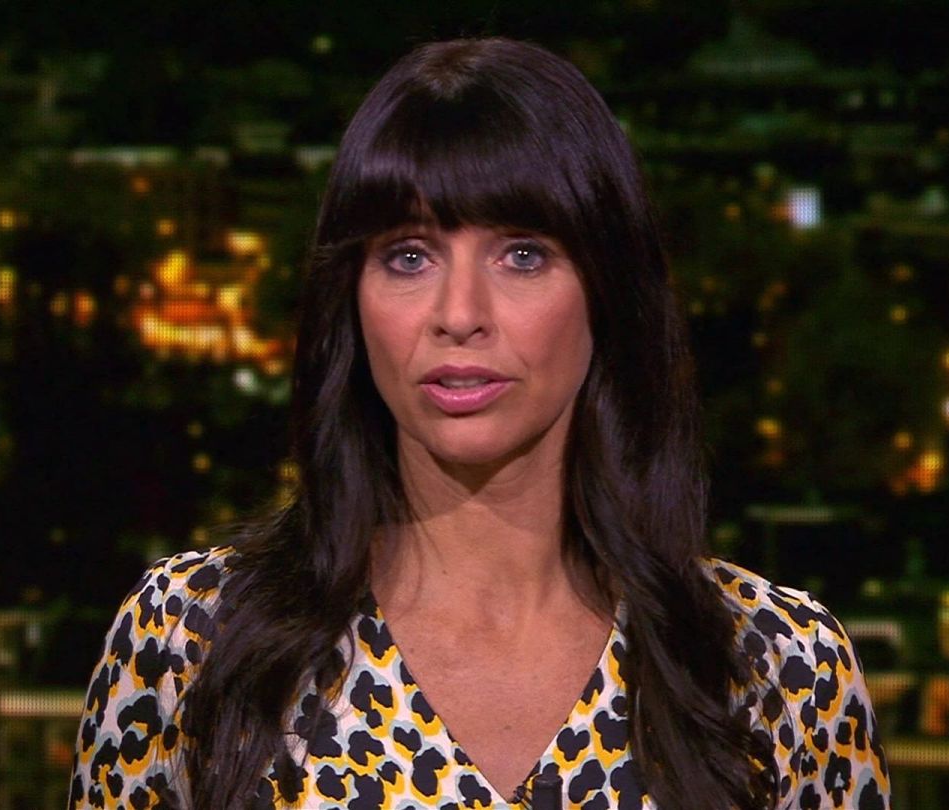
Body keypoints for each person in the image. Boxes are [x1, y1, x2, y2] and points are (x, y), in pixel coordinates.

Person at [67, 36, 891, 810]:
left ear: (607, 293)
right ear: (350, 301)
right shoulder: (191, 640)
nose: (459, 313)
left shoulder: (779, 668)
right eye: (409, 256)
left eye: (523, 254)